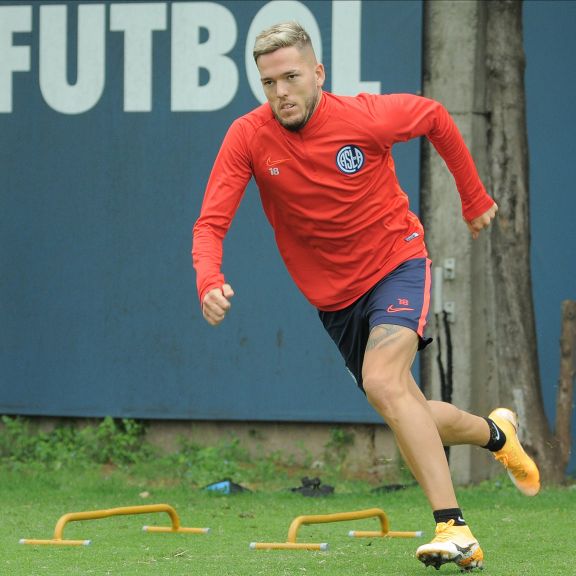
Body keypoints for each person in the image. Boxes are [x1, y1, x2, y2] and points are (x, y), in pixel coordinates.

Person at [192, 21, 540, 571]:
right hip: (335, 302)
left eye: (290, 77)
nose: (280, 92)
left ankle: (455, 529)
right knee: (410, 408)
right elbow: (210, 223)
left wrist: (474, 197)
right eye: (268, 83)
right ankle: (498, 433)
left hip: (397, 263)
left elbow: (435, 118)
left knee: (383, 380)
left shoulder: (362, 117)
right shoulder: (248, 137)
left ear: (318, 74)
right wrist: (209, 280)